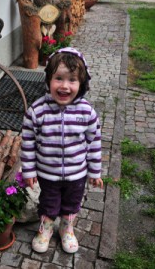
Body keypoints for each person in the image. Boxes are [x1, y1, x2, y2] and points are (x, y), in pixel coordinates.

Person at [21, 47, 103, 254]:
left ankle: (66, 229)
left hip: (77, 174)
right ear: (48, 80)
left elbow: (94, 143)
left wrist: (95, 172)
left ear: (81, 84)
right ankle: (46, 229)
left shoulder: (87, 112)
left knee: (71, 204)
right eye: (59, 78)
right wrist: (28, 171)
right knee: (48, 203)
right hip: (47, 173)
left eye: (72, 80)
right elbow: (28, 142)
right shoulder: (37, 111)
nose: (65, 86)